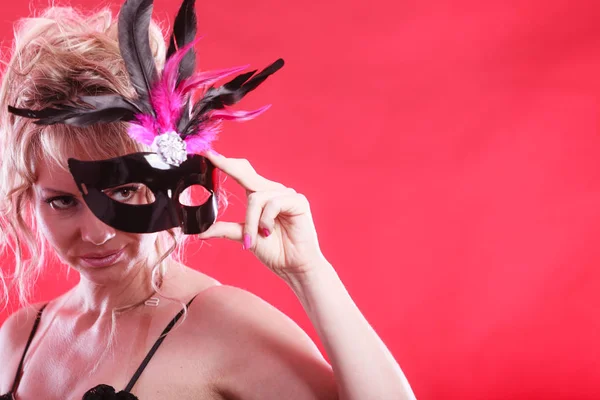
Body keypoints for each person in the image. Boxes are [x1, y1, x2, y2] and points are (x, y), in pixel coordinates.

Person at [0, 0, 416, 399]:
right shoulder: (21, 335)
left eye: (123, 191)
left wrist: (309, 273)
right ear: (30, 198)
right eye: (61, 202)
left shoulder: (221, 325)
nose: (94, 233)